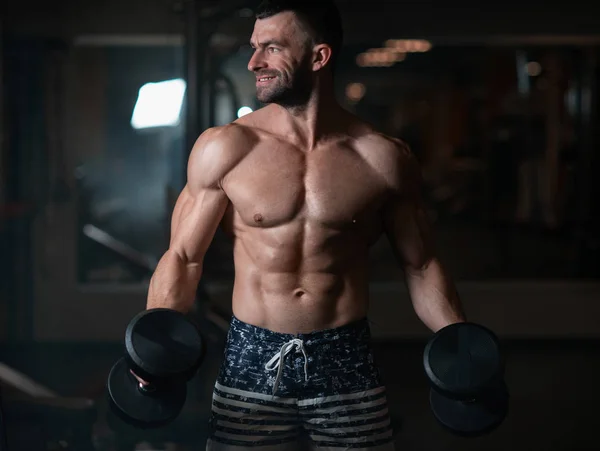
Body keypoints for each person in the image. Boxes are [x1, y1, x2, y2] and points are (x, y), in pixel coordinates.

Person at [144, 1, 466, 449]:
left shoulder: (382, 158)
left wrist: (462, 347)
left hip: (345, 358)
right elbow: (183, 257)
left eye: (271, 48)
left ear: (319, 57)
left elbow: (422, 265)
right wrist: (153, 346)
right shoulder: (226, 148)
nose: (254, 61)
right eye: (254, 47)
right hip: (251, 357)